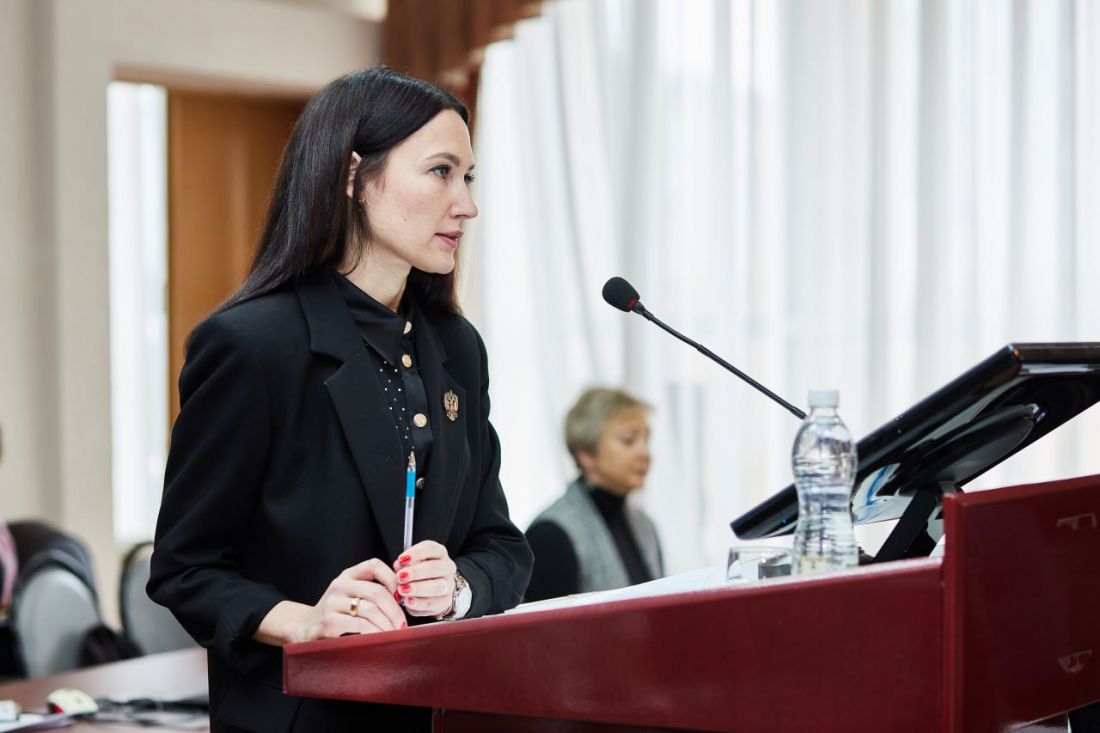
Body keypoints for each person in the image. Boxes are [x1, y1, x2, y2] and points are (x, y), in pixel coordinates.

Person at [148, 67, 533, 732]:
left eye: (468, 177)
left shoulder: (457, 347)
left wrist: (459, 586)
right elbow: (187, 569)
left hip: (437, 712)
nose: (466, 204)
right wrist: (307, 622)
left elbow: (501, 544)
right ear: (354, 176)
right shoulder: (250, 345)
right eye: (441, 172)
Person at [524, 388, 663, 602]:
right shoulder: (550, 535)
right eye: (629, 440)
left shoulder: (645, 526)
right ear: (586, 454)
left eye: (646, 440)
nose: (644, 453)